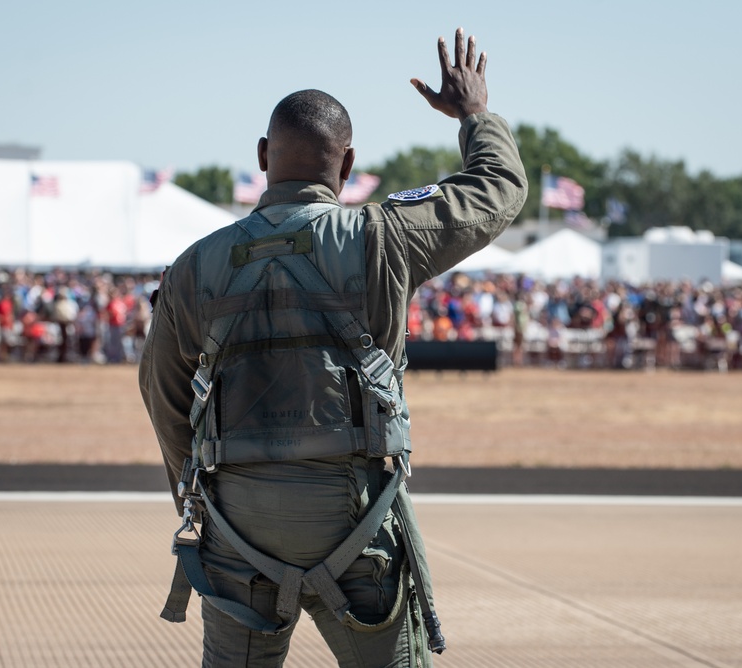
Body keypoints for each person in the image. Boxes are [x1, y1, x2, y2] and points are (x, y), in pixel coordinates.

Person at [139, 27, 527, 667]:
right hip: (355, 518)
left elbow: (163, 393)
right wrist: (475, 114)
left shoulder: (193, 266)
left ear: (263, 155)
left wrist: (199, 496)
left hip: (238, 517)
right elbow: (498, 190)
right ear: (347, 166)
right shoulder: (383, 238)